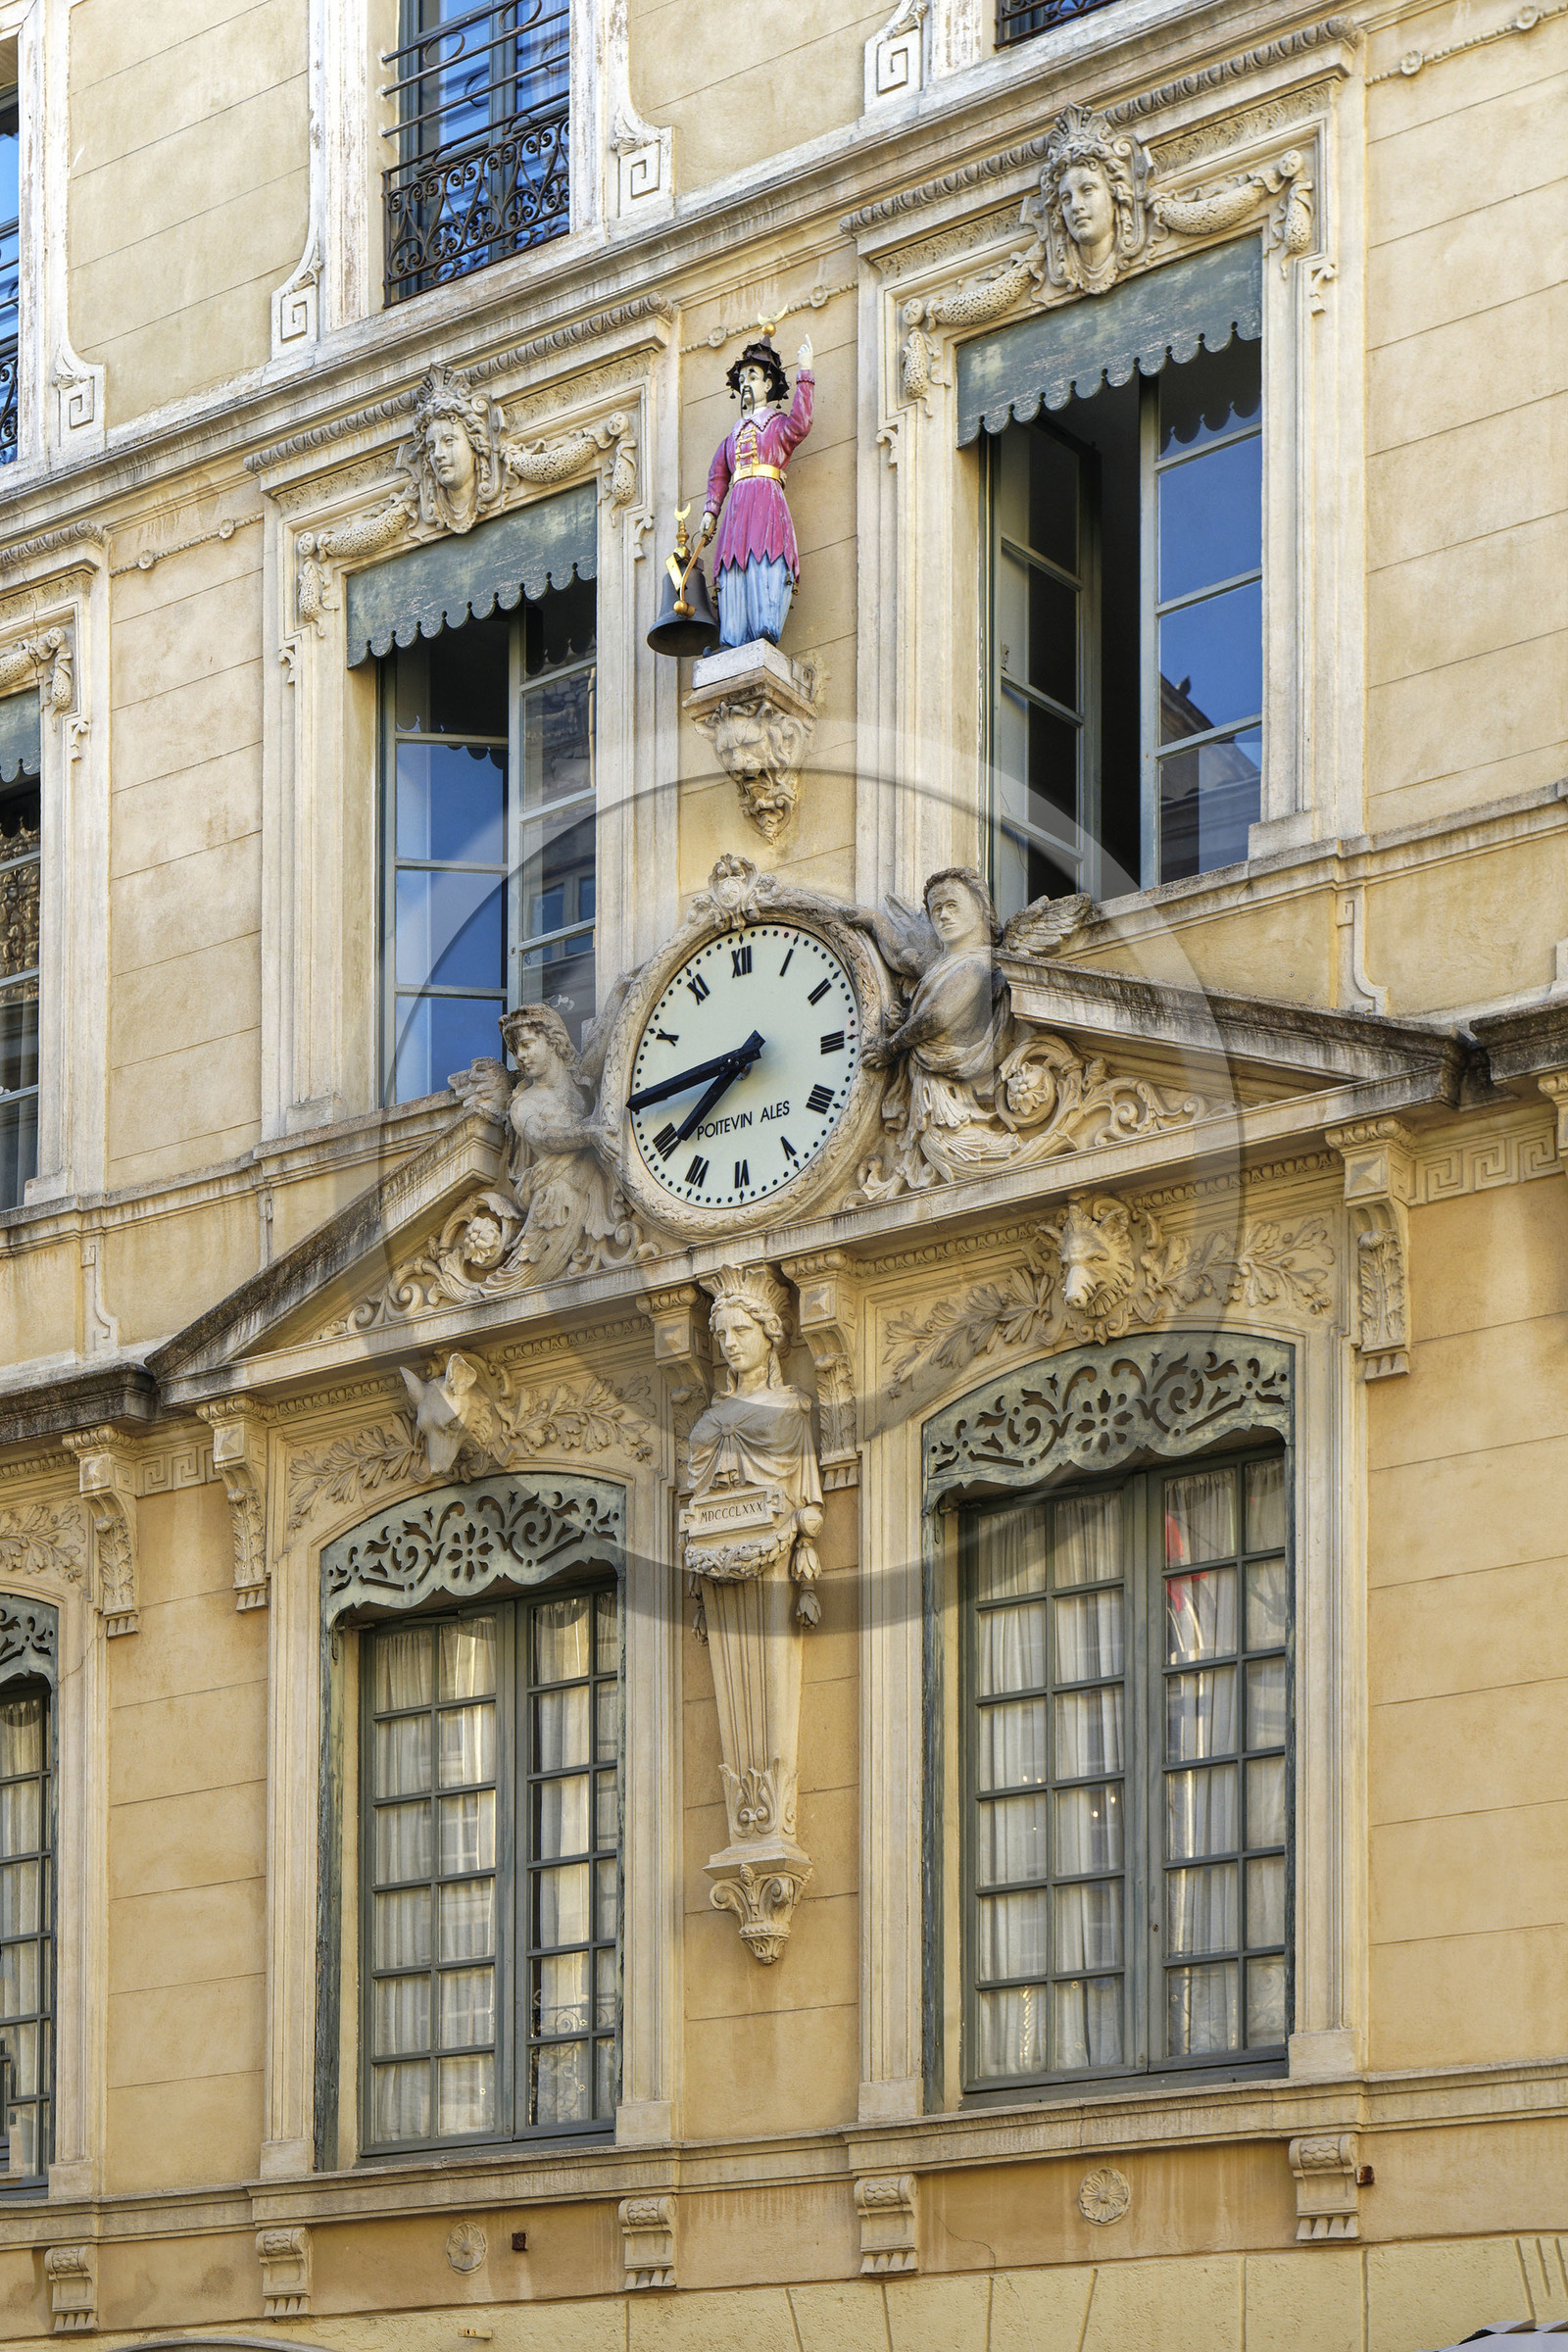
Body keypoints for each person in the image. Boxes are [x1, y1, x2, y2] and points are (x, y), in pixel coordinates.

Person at [699, 334, 814, 650]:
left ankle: (763, 625)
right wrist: (711, 512)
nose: (746, 382)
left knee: (764, 554)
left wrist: (806, 374)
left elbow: (801, 425)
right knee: (732, 562)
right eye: (742, 377)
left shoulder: (776, 425)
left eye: (753, 376)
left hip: (765, 499)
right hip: (737, 506)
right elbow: (718, 475)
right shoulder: (732, 436)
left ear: (768, 385)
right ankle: (733, 635)